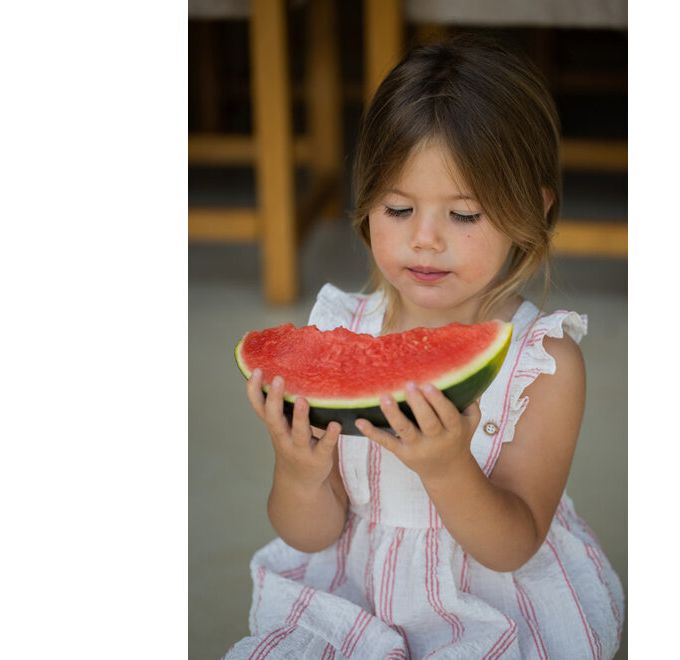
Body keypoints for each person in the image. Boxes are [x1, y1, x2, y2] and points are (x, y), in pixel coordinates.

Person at [224, 36, 624, 659]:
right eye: (398, 207)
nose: (426, 240)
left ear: (534, 210)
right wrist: (300, 473)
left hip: (489, 607)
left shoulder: (542, 363)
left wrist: (448, 468)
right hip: (354, 590)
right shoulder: (340, 326)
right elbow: (310, 535)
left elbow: (512, 545)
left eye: (465, 214)